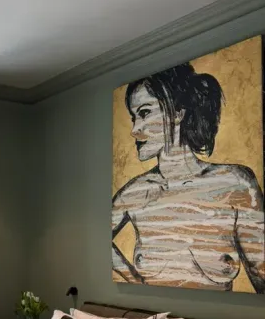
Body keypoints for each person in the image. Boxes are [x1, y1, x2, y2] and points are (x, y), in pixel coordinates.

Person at [112, 62, 265, 292]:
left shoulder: (235, 183)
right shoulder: (134, 193)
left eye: (144, 113)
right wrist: (134, 280)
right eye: (134, 118)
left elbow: (261, 276)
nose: (134, 130)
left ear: (178, 113)